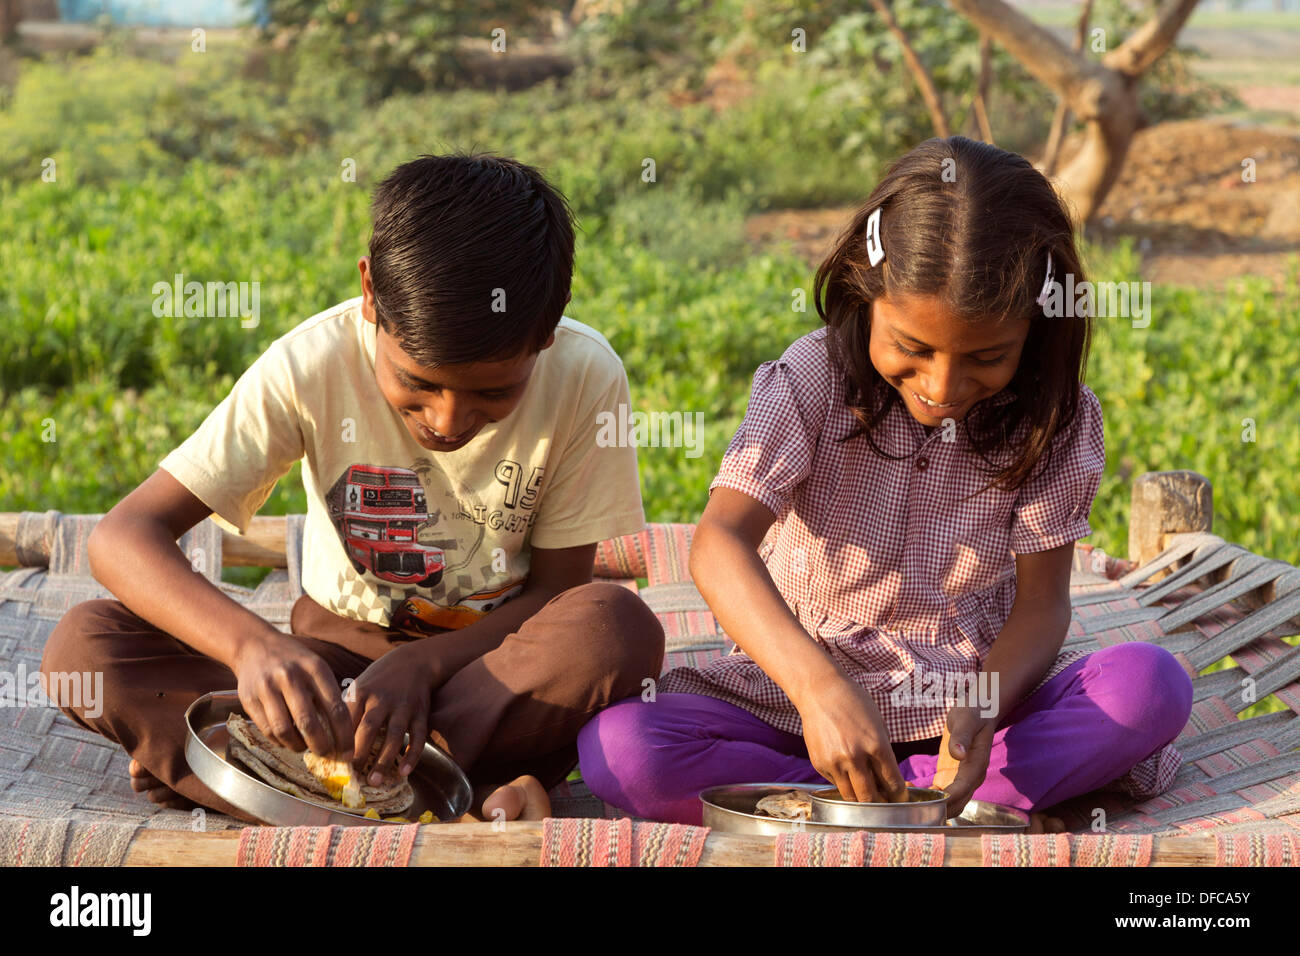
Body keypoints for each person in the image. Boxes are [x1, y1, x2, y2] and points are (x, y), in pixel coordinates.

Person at [576, 136, 1192, 829]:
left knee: (1148, 687)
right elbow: (720, 542)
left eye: (988, 357)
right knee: (622, 750)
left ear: (1037, 325)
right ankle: (933, 809)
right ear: (863, 293)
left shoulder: (1057, 417)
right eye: (912, 347)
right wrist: (819, 691)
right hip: (796, 702)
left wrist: (984, 703)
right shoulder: (811, 381)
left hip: (968, 710)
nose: (943, 387)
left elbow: (1042, 606)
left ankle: (857, 803)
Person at [40, 152, 665, 824]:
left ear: (548, 329)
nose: (448, 420)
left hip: (488, 670)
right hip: (331, 666)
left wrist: (425, 667)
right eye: (419, 383)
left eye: (492, 392)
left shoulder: (583, 375)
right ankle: (448, 790)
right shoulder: (310, 364)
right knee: (84, 645)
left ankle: (251, 772)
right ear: (371, 293)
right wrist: (251, 646)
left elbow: (557, 594)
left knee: (614, 626)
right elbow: (124, 535)